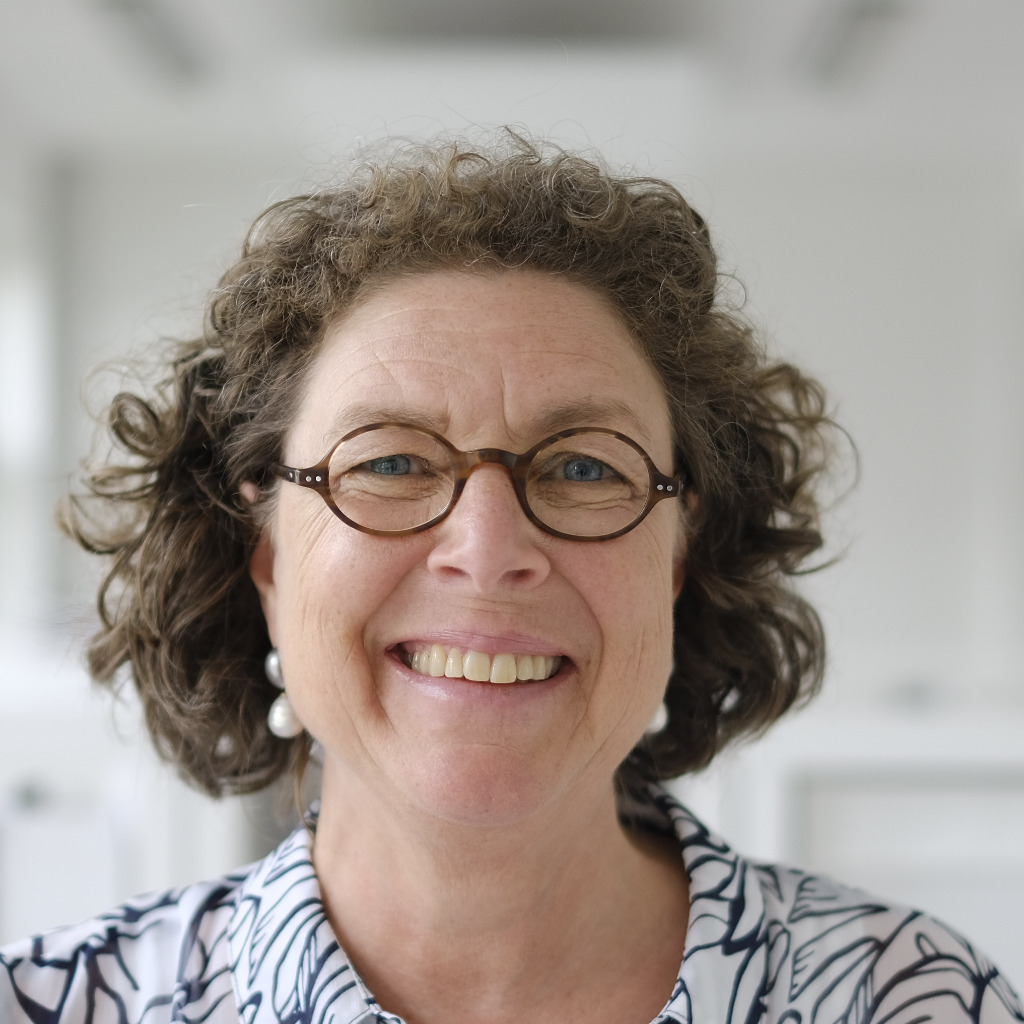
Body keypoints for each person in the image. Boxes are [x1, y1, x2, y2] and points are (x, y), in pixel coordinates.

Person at [1, 133, 1020, 1024]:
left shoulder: (913, 1000)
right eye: (389, 462)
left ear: (678, 555)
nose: (488, 550)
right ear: (264, 553)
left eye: (585, 468)